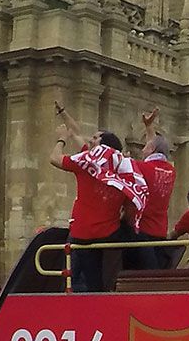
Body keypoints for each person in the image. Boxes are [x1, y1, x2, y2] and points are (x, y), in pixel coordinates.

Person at [50, 105, 143, 292]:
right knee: (105, 283)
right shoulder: (122, 169)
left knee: (77, 281)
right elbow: (77, 133)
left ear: (102, 145)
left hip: (82, 234)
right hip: (109, 235)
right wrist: (64, 113)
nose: (90, 141)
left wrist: (61, 138)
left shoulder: (85, 163)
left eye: (94, 138)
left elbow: (54, 158)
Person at [129, 110, 178, 270]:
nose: (142, 149)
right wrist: (149, 127)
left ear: (150, 149)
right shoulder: (171, 170)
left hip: (142, 230)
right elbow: (156, 148)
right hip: (160, 230)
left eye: (145, 146)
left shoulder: (142, 167)